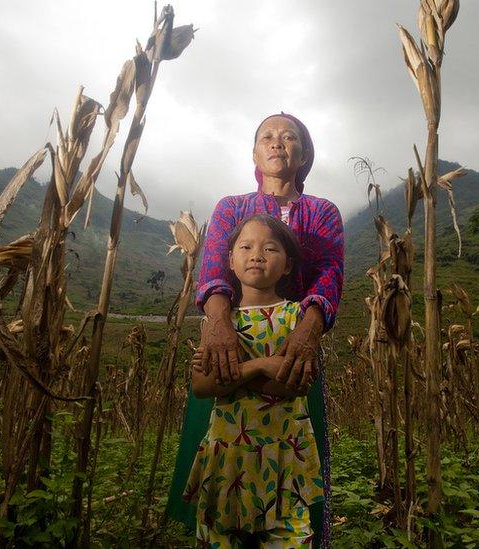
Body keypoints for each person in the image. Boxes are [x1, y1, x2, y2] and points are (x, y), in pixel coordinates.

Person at [167, 113, 343, 547]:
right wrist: (218, 324)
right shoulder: (232, 207)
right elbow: (211, 268)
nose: (278, 143)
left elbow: (330, 274)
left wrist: (306, 332)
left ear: (304, 154)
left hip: (294, 345)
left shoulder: (322, 212)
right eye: (267, 136)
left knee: (291, 465)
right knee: (222, 459)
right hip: (230, 342)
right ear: (254, 154)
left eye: (290, 137)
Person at [183, 214, 324, 546]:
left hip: (285, 461)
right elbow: (201, 387)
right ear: (230, 260)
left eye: (270, 248)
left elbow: (296, 385)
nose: (257, 254)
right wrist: (262, 365)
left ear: (288, 265)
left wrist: (231, 376)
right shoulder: (218, 324)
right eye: (245, 246)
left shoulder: (299, 320)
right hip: (228, 459)